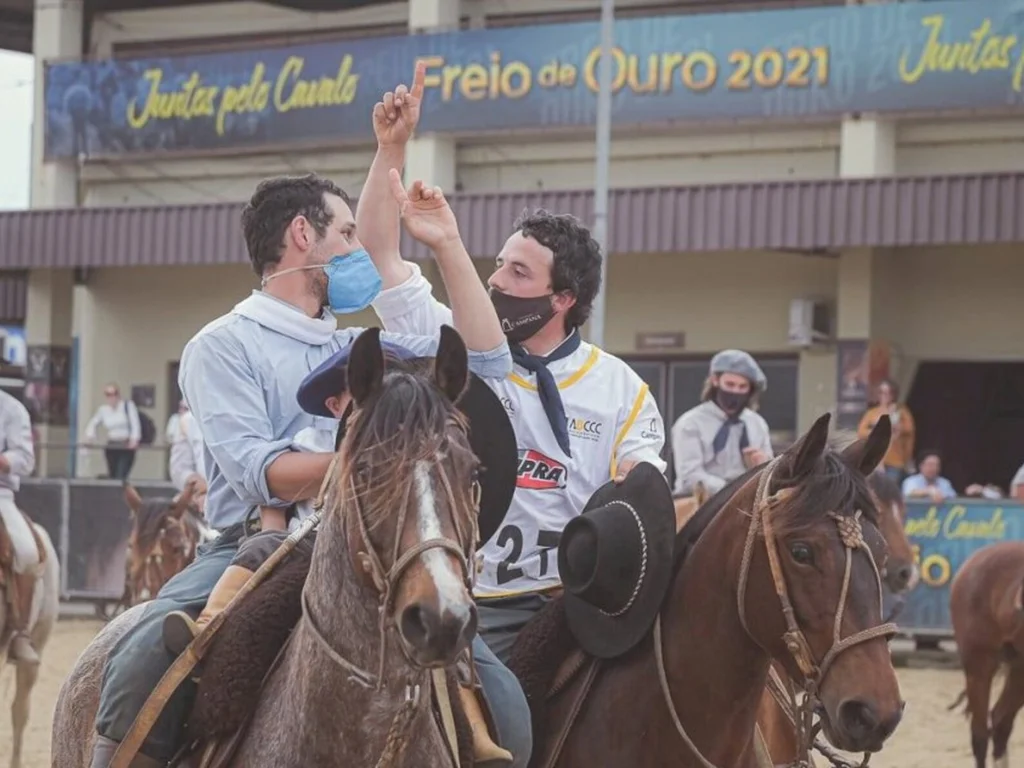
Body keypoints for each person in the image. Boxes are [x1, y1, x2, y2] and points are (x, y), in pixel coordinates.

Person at [88, 162, 512, 764]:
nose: (357, 251)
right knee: (140, 661)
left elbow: (487, 365)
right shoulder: (222, 344)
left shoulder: (361, 343)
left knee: (507, 707)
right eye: (346, 235)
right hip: (249, 545)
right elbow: (255, 471)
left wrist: (443, 242)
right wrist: (365, 459)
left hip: (377, 545)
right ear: (302, 236)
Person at [357, 65, 666, 768]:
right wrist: (391, 150)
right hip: (477, 598)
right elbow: (380, 250)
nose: (497, 280)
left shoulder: (621, 389)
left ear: (564, 299)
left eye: (519, 274)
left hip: (580, 604)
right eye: (497, 265)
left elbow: (640, 497)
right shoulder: (449, 344)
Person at [160, 338, 416, 654]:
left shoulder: (417, 453)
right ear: (335, 406)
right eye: (361, 389)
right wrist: (273, 537)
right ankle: (204, 632)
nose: (376, 400)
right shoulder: (312, 442)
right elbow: (276, 498)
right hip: (313, 544)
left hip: (389, 550)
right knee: (260, 546)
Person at [670, 350, 773, 496]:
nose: (735, 391)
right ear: (715, 380)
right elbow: (690, 476)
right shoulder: (690, 423)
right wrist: (732, 490)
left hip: (746, 504)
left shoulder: (757, 424)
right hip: (698, 503)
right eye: (730, 384)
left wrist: (762, 465)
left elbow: (769, 474)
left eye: (742, 387)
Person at [0, 389, 41, 664]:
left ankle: (20, 632)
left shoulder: (11, 409)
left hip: (0, 493)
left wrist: (4, 460)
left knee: (27, 553)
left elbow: (26, 458)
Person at [857, 379, 915, 483]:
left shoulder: (901, 411)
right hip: (875, 460)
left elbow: (909, 429)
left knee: (890, 490)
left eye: (888, 393)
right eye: (881, 392)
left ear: (893, 394)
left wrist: (896, 425)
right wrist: (878, 431)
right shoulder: (872, 412)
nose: (885, 396)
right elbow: (861, 432)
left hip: (895, 460)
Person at [84, 383, 141, 479]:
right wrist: (89, 437)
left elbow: (135, 423)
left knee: (121, 474)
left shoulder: (127, 406)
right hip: (112, 444)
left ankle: (121, 491)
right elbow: (93, 423)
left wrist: (134, 439)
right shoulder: (103, 410)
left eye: (114, 394)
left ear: (118, 395)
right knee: (113, 474)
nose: (111, 397)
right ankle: (114, 492)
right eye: (108, 394)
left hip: (125, 444)